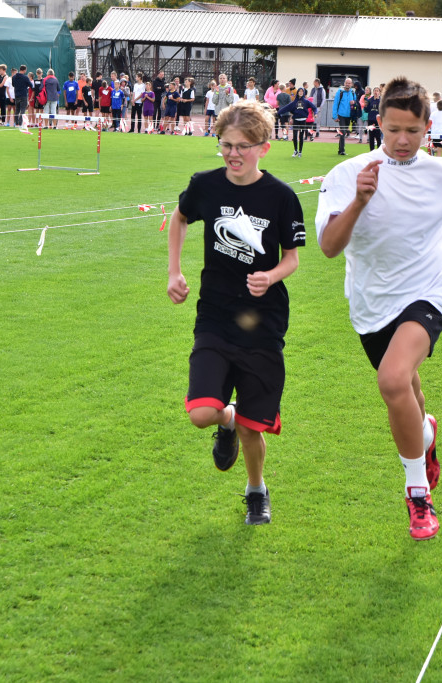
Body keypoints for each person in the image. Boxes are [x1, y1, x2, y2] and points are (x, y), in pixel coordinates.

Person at [314, 76, 442, 540]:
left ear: (429, 127)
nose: (402, 141)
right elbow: (328, 247)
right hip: (370, 300)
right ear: (378, 123)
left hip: (430, 287)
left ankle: (417, 494)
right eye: (393, 130)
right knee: (407, 394)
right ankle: (425, 435)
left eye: (413, 131)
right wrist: (361, 200)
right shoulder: (347, 175)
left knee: (391, 380)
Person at [167, 99, 305, 526]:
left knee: (252, 428)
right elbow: (180, 218)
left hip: (263, 324)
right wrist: (174, 271)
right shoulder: (205, 185)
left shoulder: (281, 197)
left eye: (243, 146)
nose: (233, 154)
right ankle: (223, 418)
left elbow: (293, 259)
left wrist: (271, 276)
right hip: (215, 316)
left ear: (264, 147)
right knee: (200, 413)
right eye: (226, 144)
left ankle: (256, 491)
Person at [277, 86, 317, 157]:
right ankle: (295, 150)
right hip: (296, 121)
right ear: (297, 93)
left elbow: (314, 107)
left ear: (303, 93)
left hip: (303, 121)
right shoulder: (294, 102)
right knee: (295, 136)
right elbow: (286, 108)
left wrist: (315, 113)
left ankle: (300, 152)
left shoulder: (306, 101)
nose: (301, 92)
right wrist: (279, 112)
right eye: (299, 91)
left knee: (301, 136)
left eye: (302, 91)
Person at [333, 78, 358, 156]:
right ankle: (342, 150)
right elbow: (335, 104)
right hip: (341, 115)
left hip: (349, 116)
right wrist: (334, 116)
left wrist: (354, 102)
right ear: (344, 83)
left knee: (343, 133)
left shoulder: (353, 93)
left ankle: (340, 150)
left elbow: (356, 104)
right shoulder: (340, 92)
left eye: (349, 83)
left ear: (351, 84)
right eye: (346, 83)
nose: (348, 84)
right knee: (343, 132)